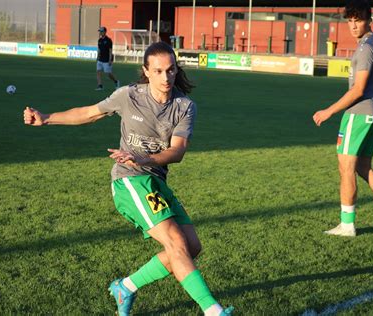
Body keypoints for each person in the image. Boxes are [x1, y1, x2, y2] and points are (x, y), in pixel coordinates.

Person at [23, 41, 233, 316]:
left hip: (155, 179)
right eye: (157, 71)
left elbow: (178, 151)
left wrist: (145, 159)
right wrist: (46, 118)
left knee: (191, 247)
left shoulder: (184, 106)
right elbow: (88, 113)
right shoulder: (128, 96)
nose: (165, 77)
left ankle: (126, 287)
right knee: (175, 243)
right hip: (129, 180)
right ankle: (213, 311)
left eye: (170, 70)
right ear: (146, 71)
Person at [312, 0, 373, 237]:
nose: (353, 25)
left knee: (346, 168)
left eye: (358, 20)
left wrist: (329, 111)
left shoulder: (365, 48)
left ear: (369, 20)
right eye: (350, 21)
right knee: (363, 166)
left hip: (359, 114)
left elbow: (358, 89)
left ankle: (347, 225)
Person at [96, 26, 120, 91]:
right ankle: (100, 85)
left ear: (105, 32)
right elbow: (99, 49)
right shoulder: (99, 40)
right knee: (98, 72)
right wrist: (97, 57)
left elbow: (110, 50)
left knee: (108, 73)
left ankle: (116, 81)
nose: (100, 33)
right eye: (100, 31)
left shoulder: (108, 40)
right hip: (100, 59)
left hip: (106, 60)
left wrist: (110, 60)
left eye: (101, 31)